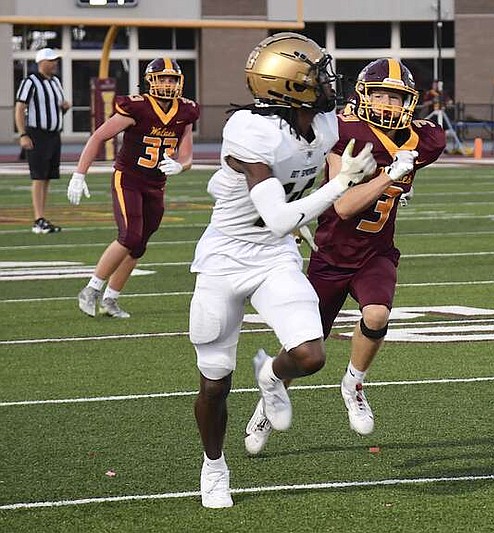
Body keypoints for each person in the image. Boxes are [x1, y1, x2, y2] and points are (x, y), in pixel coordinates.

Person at [189, 32, 377, 509]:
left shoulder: (327, 123)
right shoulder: (251, 131)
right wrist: (341, 185)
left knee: (311, 356)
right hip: (227, 256)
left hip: (273, 254)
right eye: (318, 74)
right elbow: (278, 216)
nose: (330, 81)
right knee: (215, 380)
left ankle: (271, 375)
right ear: (291, 86)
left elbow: (292, 205)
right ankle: (214, 467)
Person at [243, 57, 445, 455]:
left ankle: (353, 383)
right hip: (331, 254)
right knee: (304, 349)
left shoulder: (425, 139)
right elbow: (346, 207)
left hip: (376, 252)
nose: (388, 104)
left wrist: (399, 171)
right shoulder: (344, 131)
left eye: (396, 97)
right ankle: (268, 398)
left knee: (377, 315)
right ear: (363, 96)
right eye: (381, 95)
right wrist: (390, 175)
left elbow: (423, 142)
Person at [67, 58, 199, 319]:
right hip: (128, 178)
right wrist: (79, 174)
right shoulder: (137, 107)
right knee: (129, 236)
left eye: (172, 79)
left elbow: (187, 156)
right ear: (151, 81)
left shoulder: (186, 111)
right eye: (163, 78)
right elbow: (99, 136)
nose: (168, 84)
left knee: (139, 245)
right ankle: (91, 289)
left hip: (156, 183)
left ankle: (111, 299)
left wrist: (180, 166)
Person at [15, 48, 71, 234]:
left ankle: (42, 218)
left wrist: (64, 108)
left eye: (55, 60)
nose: (54, 63)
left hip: (54, 135)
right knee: (39, 176)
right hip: (37, 134)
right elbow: (20, 107)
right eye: (51, 60)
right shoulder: (30, 81)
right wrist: (23, 134)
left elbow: (55, 109)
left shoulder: (55, 82)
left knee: (47, 176)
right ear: (41, 62)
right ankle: (38, 219)